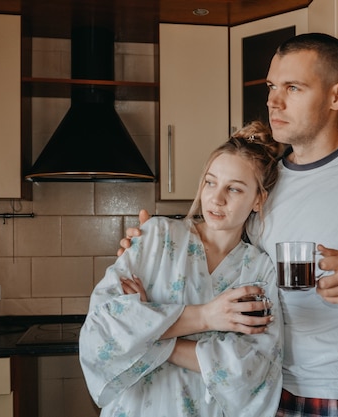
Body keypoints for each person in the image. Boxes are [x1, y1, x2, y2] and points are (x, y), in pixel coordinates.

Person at [118, 33, 338, 417]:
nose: (273, 102)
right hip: (254, 388)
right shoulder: (263, 182)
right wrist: (149, 249)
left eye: (293, 88)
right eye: (271, 87)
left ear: (337, 96)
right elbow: (217, 256)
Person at [79, 121, 285, 417]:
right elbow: (101, 333)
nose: (217, 198)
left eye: (235, 189)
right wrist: (205, 317)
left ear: (258, 199)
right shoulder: (156, 237)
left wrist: (150, 331)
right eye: (210, 182)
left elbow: (251, 369)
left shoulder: (259, 269)